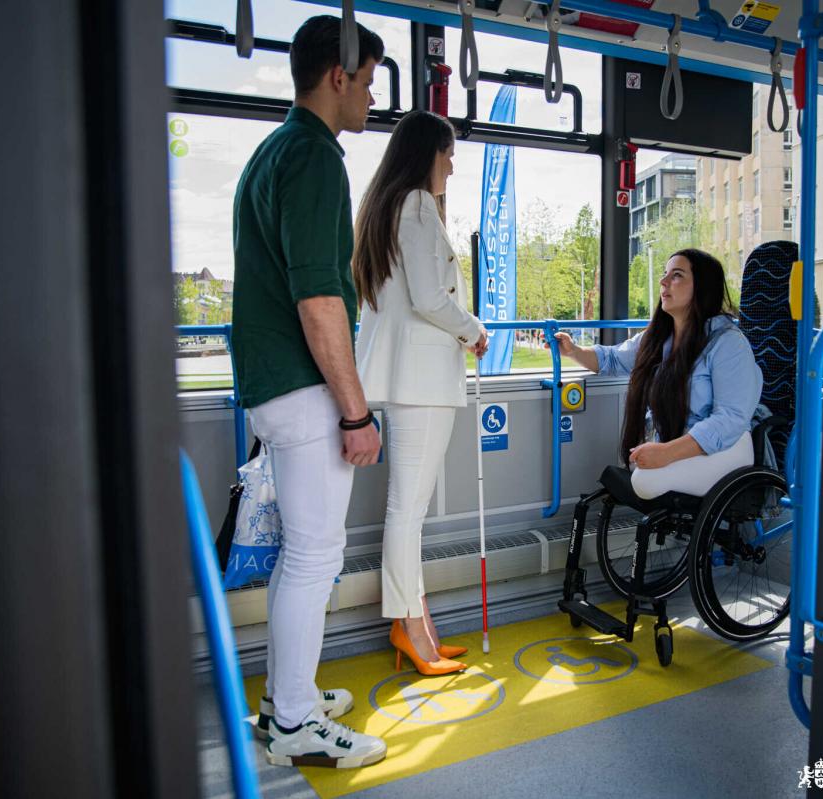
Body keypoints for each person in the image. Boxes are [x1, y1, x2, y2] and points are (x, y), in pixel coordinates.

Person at [231, 15, 387, 769]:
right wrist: (355, 411)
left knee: (304, 554)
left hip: (270, 383)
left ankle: (284, 695)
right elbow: (321, 299)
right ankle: (292, 720)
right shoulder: (317, 158)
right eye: (367, 83)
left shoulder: (271, 153)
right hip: (304, 388)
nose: (368, 99)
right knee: (314, 557)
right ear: (338, 77)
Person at [353, 110, 488, 676]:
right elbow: (431, 298)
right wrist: (474, 329)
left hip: (415, 379)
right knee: (407, 512)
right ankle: (411, 630)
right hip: (422, 382)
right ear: (425, 152)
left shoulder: (395, 207)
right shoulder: (413, 207)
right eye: (448, 153)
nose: (452, 165)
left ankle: (418, 622)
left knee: (408, 510)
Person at [550, 249, 762, 498]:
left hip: (728, 449)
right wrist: (572, 350)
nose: (663, 282)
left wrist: (667, 453)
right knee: (639, 472)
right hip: (681, 446)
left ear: (702, 287)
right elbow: (612, 359)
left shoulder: (728, 344)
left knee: (644, 480)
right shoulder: (660, 338)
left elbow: (730, 419)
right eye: (664, 274)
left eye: (677, 275)